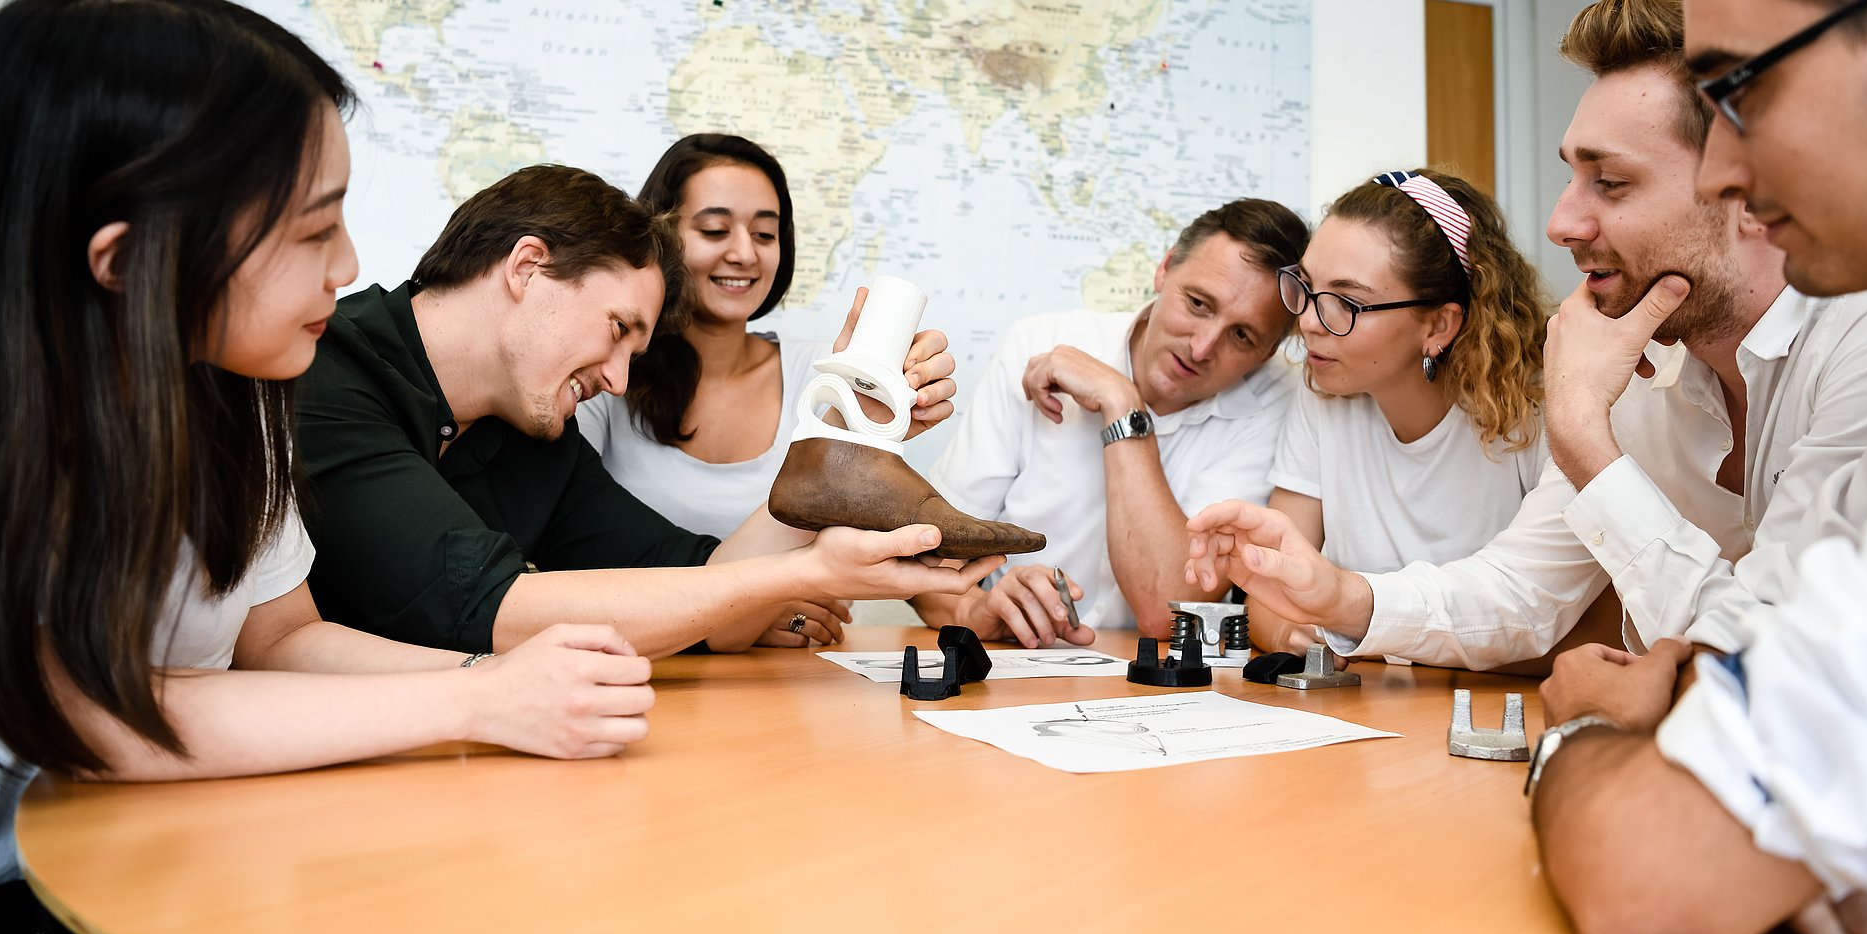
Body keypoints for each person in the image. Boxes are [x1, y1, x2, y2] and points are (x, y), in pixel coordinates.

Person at [0, 0, 657, 934]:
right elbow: (102, 721)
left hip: (159, 850)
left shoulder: (244, 393)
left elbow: (278, 638)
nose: (348, 268)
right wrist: (473, 697)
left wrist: (499, 679)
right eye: (311, 234)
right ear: (125, 263)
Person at [1184, 0, 1867, 674]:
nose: (1562, 223)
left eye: (1611, 183)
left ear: (1746, 184)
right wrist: (1339, 595)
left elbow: (1779, 656)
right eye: (1571, 177)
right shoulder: (1638, 367)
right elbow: (1522, 594)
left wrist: (1582, 436)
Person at [1530, 0, 1867, 934]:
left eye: (1742, 90)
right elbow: (1759, 646)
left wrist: (1583, 737)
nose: (1730, 173)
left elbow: (1653, 874)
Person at [296, 164, 997, 659]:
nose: (617, 377)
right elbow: (487, 608)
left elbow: (705, 591)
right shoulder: (326, 378)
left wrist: (838, 430)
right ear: (527, 267)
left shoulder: (536, 435)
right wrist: (808, 572)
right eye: (618, 328)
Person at [914, 199, 1309, 644]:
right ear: (1165, 269)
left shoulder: (1285, 402)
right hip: (1011, 665)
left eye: (1242, 335)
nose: (1201, 348)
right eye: (1198, 303)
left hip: (1157, 691)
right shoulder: (1037, 341)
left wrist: (1122, 403)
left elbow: (1169, 611)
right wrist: (974, 608)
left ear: (1269, 352)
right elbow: (926, 558)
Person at [1243, 169, 1551, 656]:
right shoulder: (1327, 388)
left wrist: (1351, 620)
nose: (1307, 322)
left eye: (1345, 302)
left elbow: (1568, 629)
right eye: (1305, 286)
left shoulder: (1537, 411)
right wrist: (1292, 634)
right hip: (1380, 701)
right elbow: (1266, 593)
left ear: (1439, 325)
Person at [577, 134, 851, 647]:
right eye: (715, 229)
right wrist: (746, 607)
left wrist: (971, 599)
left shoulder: (822, 373)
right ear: (660, 235)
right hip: (645, 670)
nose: (744, 253)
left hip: (792, 685)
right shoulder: (606, 372)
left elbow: (882, 526)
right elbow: (566, 553)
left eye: (766, 235)